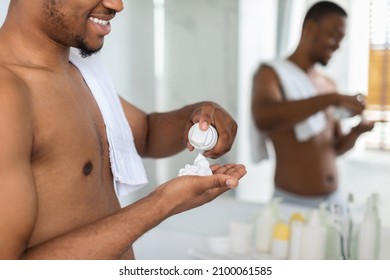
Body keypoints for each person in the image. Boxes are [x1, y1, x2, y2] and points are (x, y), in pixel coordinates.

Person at [0, 0, 247, 259]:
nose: (116, 5)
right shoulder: (7, 94)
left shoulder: (77, 69)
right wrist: (163, 203)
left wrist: (198, 115)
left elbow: (147, 133)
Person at [251, 1, 374, 211]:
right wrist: (331, 99)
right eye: (334, 35)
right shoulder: (271, 74)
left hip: (334, 201)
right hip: (291, 204)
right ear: (310, 28)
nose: (337, 45)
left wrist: (356, 132)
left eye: (341, 39)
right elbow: (264, 118)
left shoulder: (328, 84)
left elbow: (333, 148)